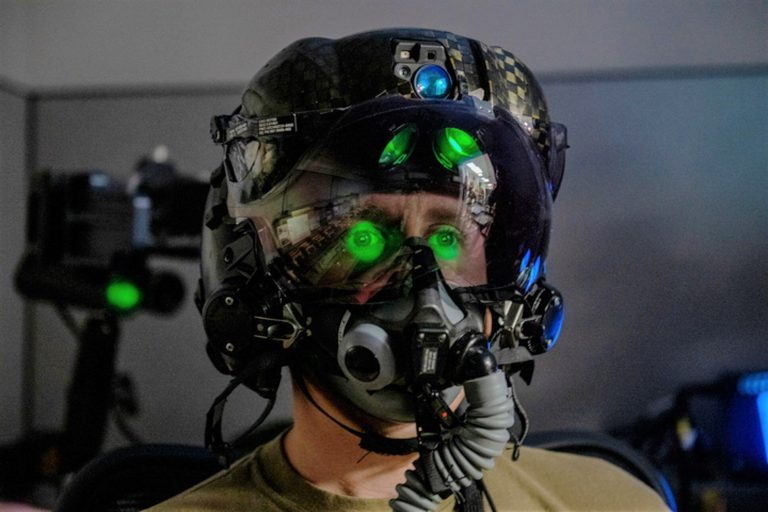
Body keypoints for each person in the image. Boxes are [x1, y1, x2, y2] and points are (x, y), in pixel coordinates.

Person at [146, 28, 669, 511]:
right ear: (262, 282)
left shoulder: (615, 502)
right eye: (365, 236)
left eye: (448, 238)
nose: (423, 291)